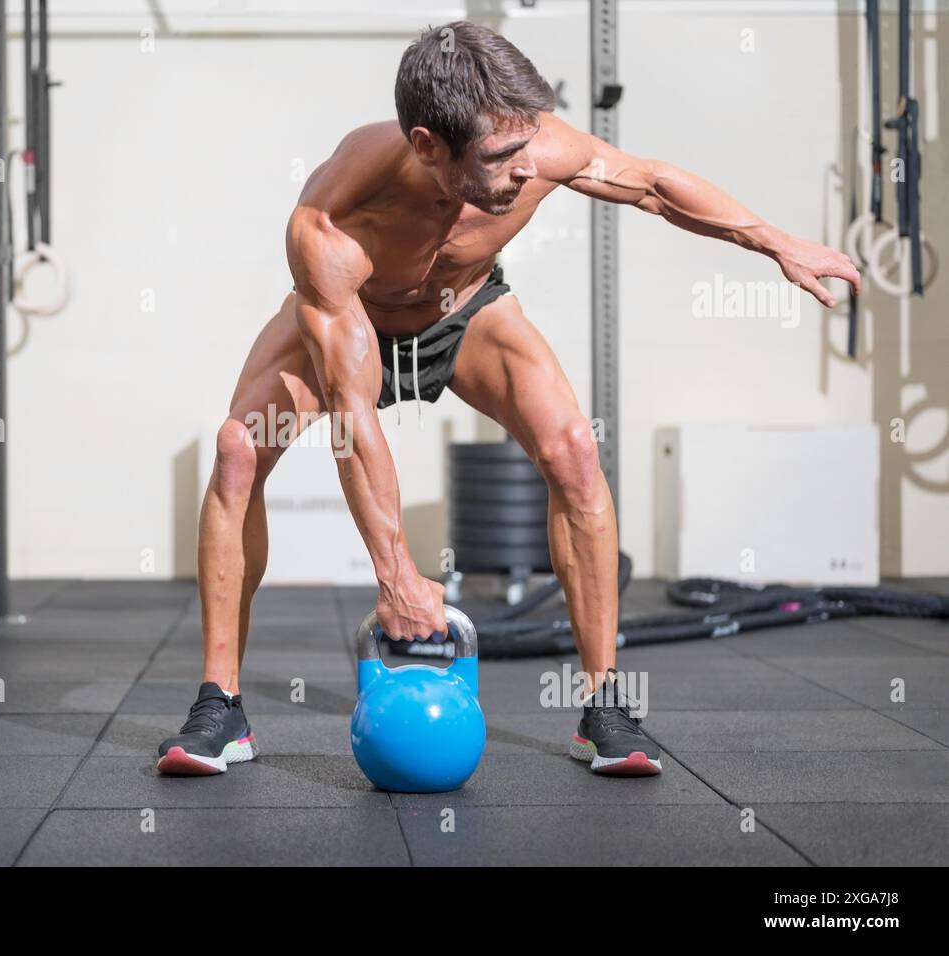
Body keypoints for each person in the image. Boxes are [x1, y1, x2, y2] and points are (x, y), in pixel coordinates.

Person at [157, 20, 860, 777]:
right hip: (352, 319)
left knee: (575, 451)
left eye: (527, 146)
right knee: (237, 450)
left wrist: (778, 242)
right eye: (500, 158)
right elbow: (351, 419)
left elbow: (654, 186)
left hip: (468, 312)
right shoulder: (330, 225)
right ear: (428, 146)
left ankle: (604, 708)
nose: (527, 171)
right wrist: (395, 574)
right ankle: (220, 704)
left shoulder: (536, 146)